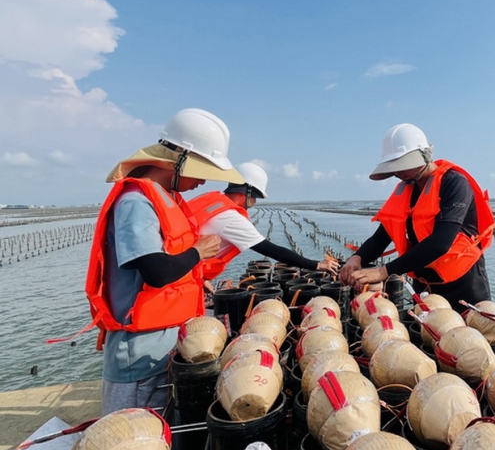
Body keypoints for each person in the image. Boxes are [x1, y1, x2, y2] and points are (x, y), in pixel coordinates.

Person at [85, 108, 243, 415]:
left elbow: (169, 261)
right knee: (133, 431)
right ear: (179, 161)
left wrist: (195, 279)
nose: (202, 181)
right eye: (201, 171)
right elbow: (156, 272)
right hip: (140, 354)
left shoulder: (167, 199)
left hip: (165, 346)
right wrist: (198, 252)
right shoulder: (136, 202)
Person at [339, 123, 495, 312]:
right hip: (424, 285)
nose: (398, 173)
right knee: (424, 328)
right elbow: (381, 237)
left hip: (463, 285)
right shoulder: (406, 189)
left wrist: (383, 271)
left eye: (403, 165)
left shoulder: (454, 183)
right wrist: (357, 258)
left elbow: (440, 243)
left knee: (469, 329)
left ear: (425, 155)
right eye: (395, 167)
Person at [187, 161, 339, 281]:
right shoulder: (231, 218)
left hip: (185, 268)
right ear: (246, 192)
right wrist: (317, 265)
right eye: (255, 197)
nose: (254, 202)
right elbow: (273, 250)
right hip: (185, 277)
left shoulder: (212, 201)